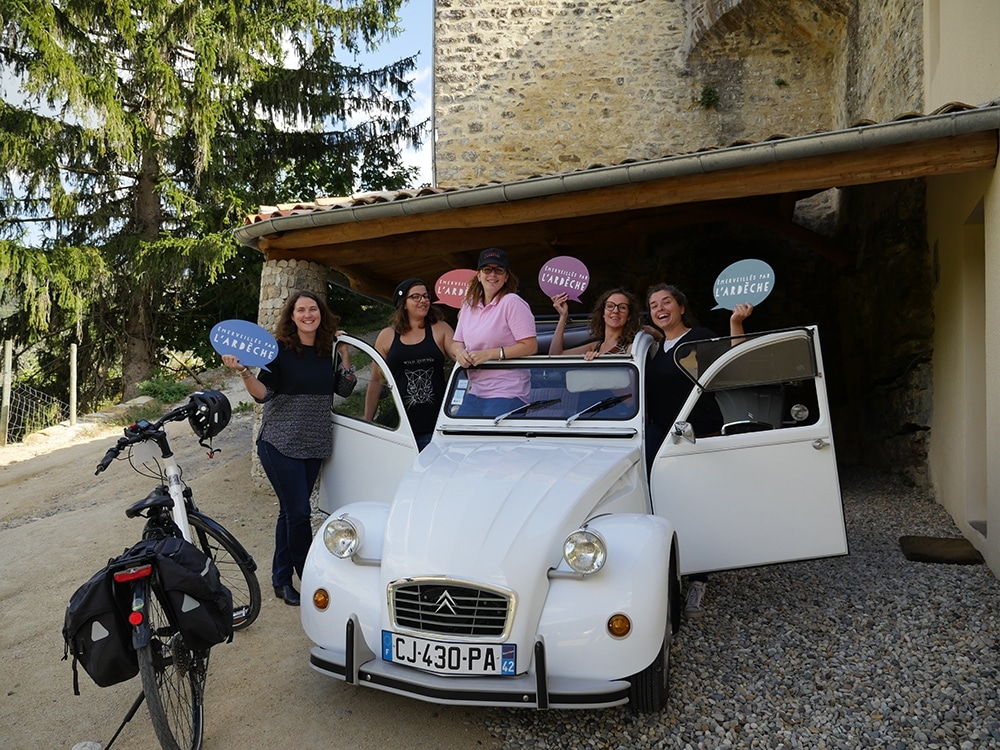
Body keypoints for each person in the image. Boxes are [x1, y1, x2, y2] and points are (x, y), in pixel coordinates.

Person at [222, 290, 348, 607]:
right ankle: (309, 577)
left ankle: (280, 580)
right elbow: (263, 395)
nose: (308, 314)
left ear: (322, 314)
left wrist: (343, 351)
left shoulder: (327, 350)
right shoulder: (279, 351)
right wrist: (244, 372)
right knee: (299, 513)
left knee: (290, 513)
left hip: (314, 443)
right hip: (279, 442)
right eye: (301, 310)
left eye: (313, 309)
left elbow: (344, 389)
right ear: (291, 317)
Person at [644, 283, 753, 617]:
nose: (660, 308)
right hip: (662, 433)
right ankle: (670, 571)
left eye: (666, 302)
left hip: (699, 428)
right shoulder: (652, 348)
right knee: (664, 499)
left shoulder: (700, 336)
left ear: (680, 307)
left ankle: (699, 581)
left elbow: (733, 361)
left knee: (699, 501)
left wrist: (736, 323)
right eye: (652, 305)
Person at [364, 278, 455, 450]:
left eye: (426, 296)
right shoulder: (387, 336)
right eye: (416, 297)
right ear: (403, 304)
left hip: (436, 427)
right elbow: (376, 381)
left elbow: (461, 356)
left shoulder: (441, 329)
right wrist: (367, 422)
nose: (423, 300)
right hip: (400, 429)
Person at [450, 248, 538, 417]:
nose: (492, 275)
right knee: (461, 438)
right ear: (478, 275)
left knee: (494, 443)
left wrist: (488, 354)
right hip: (475, 391)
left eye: (499, 270)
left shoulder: (512, 302)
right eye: (487, 269)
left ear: (506, 277)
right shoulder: (469, 305)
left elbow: (530, 346)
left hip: (507, 392)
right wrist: (459, 352)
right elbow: (457, 342)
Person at [550, 287, 642, 358]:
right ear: (603, 313)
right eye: (610, 306)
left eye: (622, 307)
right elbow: (555, 355)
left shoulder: (631, 348)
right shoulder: (595, 347)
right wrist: (563, 316)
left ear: (629, 316)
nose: (615, 311)